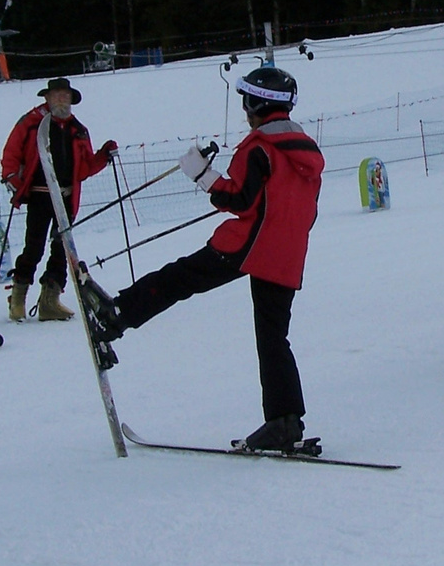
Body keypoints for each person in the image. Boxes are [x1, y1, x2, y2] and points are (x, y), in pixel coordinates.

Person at [84, 67, 324, 451]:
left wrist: (202, 175)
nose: (244, 111)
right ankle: (284, 422)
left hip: (247, 245)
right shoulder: (306, 150)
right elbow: (305, 209)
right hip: (287, 252)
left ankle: (116, 316)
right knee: (273, 336)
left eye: (247, 102)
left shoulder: (258, 147)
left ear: (260, 104)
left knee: (181, 278)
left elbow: (239, 199)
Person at [0, 78, 116, 323]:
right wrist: (12, 178)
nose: (61, 100)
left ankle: (49, 301)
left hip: (67, 196)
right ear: (47, 98)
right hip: (40, 194)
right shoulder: (31, 124)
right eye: (56, 95)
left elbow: (83, 169)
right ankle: (18, 298)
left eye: (65, 96)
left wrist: (104, 156)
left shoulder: (79, 130)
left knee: (62, 250)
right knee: (34, 246)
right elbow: (11, 153)